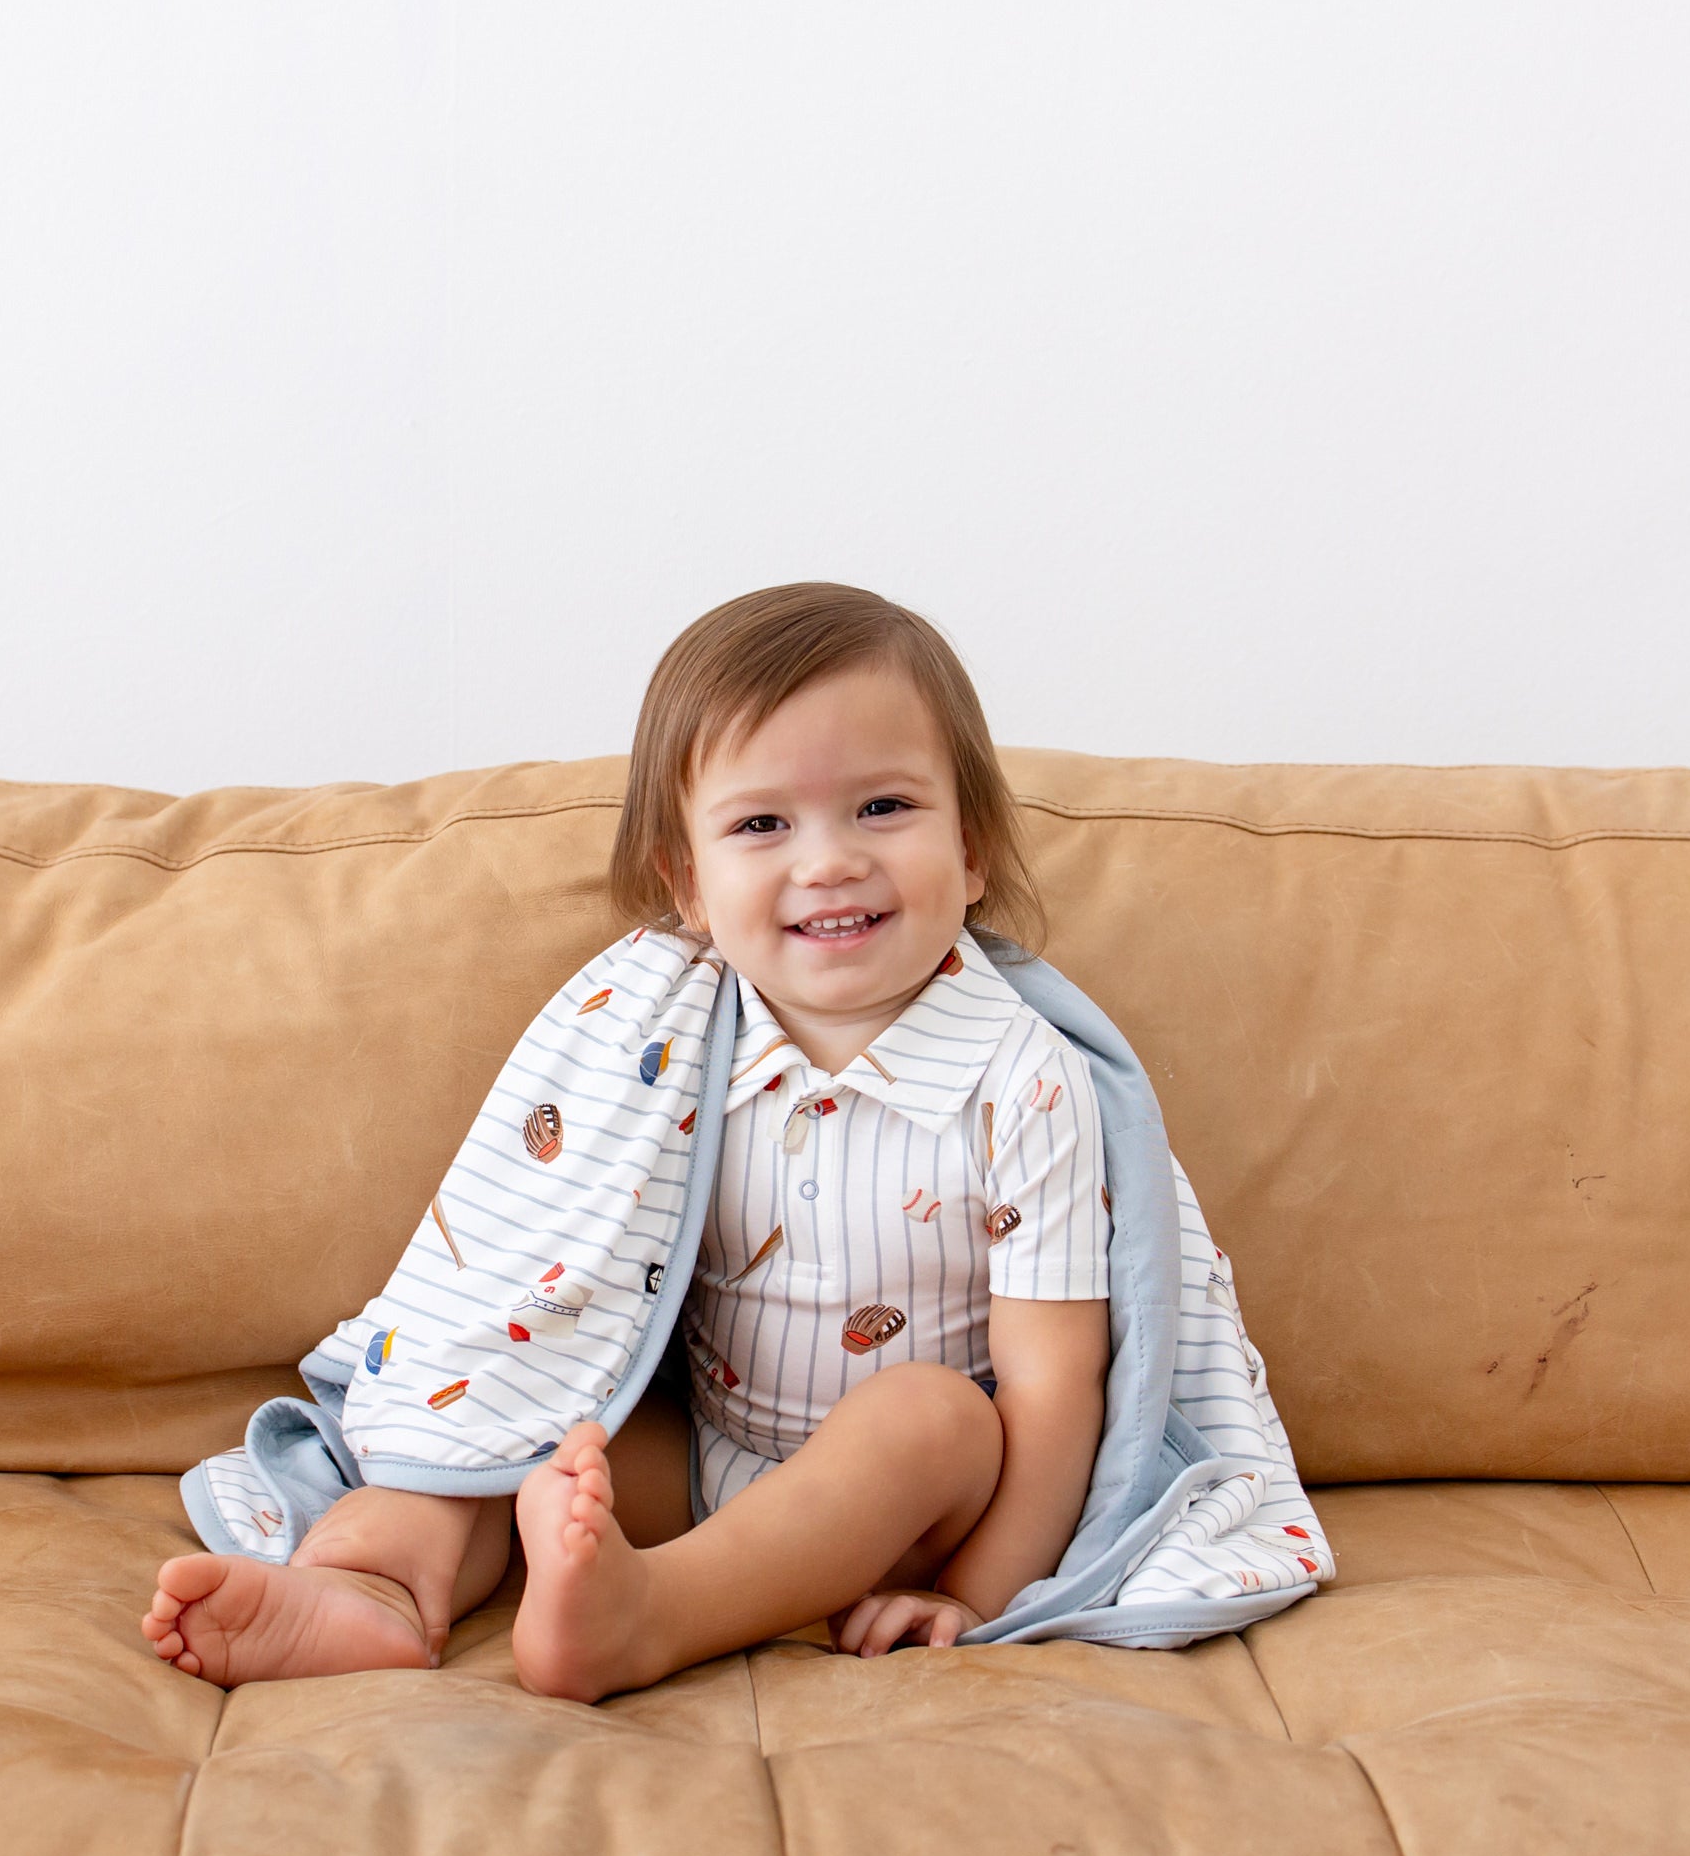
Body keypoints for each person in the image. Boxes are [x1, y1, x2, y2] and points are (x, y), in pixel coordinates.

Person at [142, 583, 1112, 1702]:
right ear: (687, 884)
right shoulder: (659, 1035)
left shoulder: (1022, 1078)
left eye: (883, 806)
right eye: (761, 824)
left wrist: (976, 1595)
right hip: (708, 1460)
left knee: (934, 1416)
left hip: (913, 1509)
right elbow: (553, 1252)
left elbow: (1051, 1380)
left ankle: (648, 1616)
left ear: (974, 847)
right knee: (528, 1425)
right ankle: (372, 1582)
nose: (828, 860)